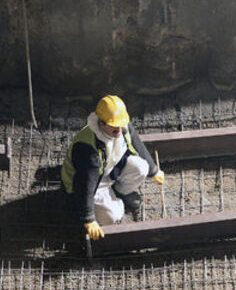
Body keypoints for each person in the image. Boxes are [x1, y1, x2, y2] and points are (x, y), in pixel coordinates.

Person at [60, 95, 165, 242]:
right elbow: (85, 186)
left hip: (110, 170)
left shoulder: (120, 126)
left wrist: (153, 170)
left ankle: (118, 192)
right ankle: (111, 201)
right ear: (101, 123)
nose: (120, 130)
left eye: (121, 125)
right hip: (91, 185)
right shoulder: (89, 151)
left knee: (142, 168)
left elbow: (136, 142)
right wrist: (88, 218)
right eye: (115, 128)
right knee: (112, 216)